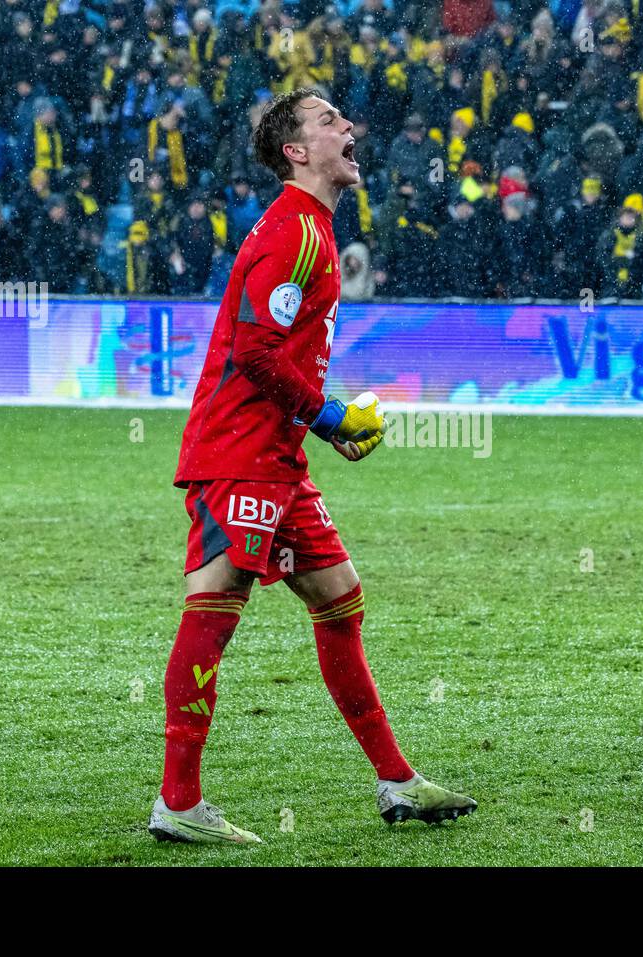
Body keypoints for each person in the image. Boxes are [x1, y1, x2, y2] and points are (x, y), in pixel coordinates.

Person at [152, 88, 477, 846]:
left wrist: (316, 426)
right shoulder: (292, 232)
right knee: (215, 607)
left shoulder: (313, 231)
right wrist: (327, 414)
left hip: (277, 458)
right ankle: (178, 800)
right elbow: (255, 348)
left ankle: (397, 781)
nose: (349, 127)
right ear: (297, 151)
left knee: (340, 599)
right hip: (239, 453)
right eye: (329, 121)